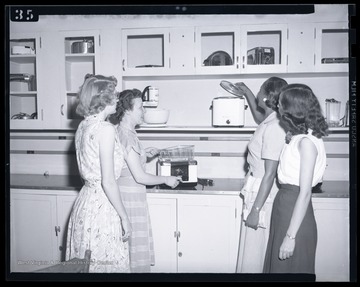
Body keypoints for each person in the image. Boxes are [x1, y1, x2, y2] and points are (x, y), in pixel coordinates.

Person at [109, 88, 181, 273]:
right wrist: (166, 179)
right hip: (130, 202)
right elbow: (139, 176)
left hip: (126, 198)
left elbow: (126, 164)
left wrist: (143, 154)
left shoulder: (121, 131)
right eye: (140, 107)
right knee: (133, 257)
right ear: (127, 110)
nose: (144, 112)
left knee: (127, 253)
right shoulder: (127, 136)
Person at [65, 74, 131, 273]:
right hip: (103, 206)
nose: (118, 99)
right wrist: (124, 217)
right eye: (115, 94)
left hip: (85, 203)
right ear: (104, 99)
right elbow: (109, 182)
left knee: (84, 265)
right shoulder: (106, 129)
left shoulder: (83, 126)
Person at [263, 83, 328, 274]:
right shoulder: (303, 137)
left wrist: (290, 237)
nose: (278, 109)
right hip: (286, 207)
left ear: (290, 111)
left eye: (281, 106)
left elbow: (305, 192)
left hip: (294, 209)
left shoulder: (307, 143)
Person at [234, 77, 288, 273]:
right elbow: (259, 118)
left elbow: (270, 174)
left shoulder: (275, 127)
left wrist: (256, 210)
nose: (257, 93)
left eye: (259, 90)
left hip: (263, 192)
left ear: (266, 97)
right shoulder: (270, 120)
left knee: (255, 251)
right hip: (257, 187)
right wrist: (247, 92)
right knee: (252, 248)